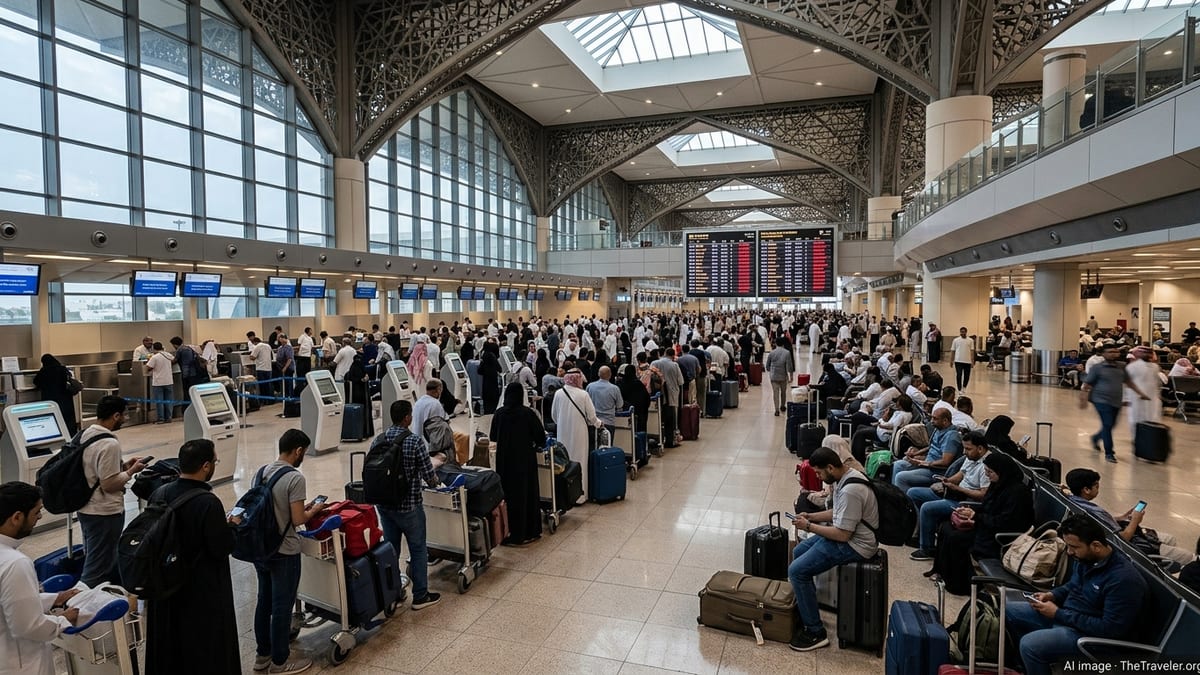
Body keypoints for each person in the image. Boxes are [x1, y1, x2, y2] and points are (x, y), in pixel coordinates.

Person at [144, 439, 239, 675]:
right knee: (203, 650)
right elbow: (220, 547)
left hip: (165, 586)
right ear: (205, 466)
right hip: (199, 592)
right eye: (214, 462)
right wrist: (232, 527)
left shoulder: (159, 493)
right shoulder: (207, 502)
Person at [1006, 515, 1146, 675]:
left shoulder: (1123, 580)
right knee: (1007, 610)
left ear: (1096, 546)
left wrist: (1058, 613)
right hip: (1068, 617)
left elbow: (1110, 629)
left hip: (1092, 639)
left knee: (1030, 645)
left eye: (1074, 547)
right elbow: (1073, 586)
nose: (1069, 552)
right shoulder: (1087, 559)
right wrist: (1053, 595)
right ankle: (1027, 666)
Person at [787, 447, 878, 651]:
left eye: (819, 473)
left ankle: (815, 631)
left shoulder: (851, 490)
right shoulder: (845, 478)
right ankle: (807, 606)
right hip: (847, 536)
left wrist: (809, 527)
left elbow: (842, 534)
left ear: (830, 467)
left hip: (857, 545)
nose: (818, 477)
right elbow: (837, 513)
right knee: (799, 552)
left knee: (796, 571)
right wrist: (810, 517)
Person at [251, 429, 326, 675]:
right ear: (298, 451)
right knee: (283, 606)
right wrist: (313, 511)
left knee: (264, 601)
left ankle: (262, 656)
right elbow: (296, 519)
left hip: (261, 548)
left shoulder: (260, 472)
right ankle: (280, 663)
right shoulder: (295, 478)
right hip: (284, 550)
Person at [0, 482, 81, 675]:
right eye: (36, 512)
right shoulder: (15, 563)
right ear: (17, 517)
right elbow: (27, 625)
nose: (39, 517)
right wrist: (61, 620)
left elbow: (8, 602)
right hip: (21, 663)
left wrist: (55, 598)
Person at [927, 452, 1034, 594]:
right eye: (986, 471)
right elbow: (986, 506)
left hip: (1000, 536)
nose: (987, 475)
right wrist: (970, 512)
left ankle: (958, 584)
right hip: (987, 524)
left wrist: (976, 517)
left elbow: (1006, 522)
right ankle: (941, 572)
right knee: (946, 527)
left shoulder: (1018, 494)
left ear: (1001, 471)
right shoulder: (998, 484)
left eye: (990, 472)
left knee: (956, 538)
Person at [373, 400, 443, 613]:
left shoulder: (379, 439)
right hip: (409, 505)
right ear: (406, 418)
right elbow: (428, 475)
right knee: (418, 548)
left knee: (391, 550)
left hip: (385, 505)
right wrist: (437, 479)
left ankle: (393, 594)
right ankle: (421, 595)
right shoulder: (414, 441)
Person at [78, 395, 147, 588]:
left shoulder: (87, 434)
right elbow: (108, 484)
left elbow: (95, 471)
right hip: (104, 512)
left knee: (97, 558)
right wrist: (132, 471)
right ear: (116, 415)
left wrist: (124, 466)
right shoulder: (109, 443)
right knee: (96, 569)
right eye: (123, 415)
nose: (125, 419)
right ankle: (78, 607)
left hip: (86, 507)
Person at [1063, 468, 1195, 568]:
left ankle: (1162, 566)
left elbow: (1103, 523)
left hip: (1127, 534)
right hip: (1135, 545)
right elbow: (1123, 539)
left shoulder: (1076, 502)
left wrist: (1121, 517)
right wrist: (1135, 520)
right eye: (1096, 486)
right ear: (1086, 490)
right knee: (1189, 557)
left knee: (1170, 539)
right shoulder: (1091, 511)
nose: (1098, 489)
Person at [908, 430, 991, 561]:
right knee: (914, 493)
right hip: (954, 492)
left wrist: (957, 488)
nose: (964, 452)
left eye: (968, 449)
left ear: (980, 449)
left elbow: (983, 495)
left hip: (965, 502)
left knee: (927, 508)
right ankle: (924, 531)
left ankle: (927, 548)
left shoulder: (987, 466)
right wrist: (947, 481)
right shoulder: (972, 457)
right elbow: (962, 474)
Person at [490, 383, 545, 546]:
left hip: (504, 462)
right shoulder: (528, 414)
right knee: (526, 495)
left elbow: (493, 436)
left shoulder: (499, 414)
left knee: (507, 496)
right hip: (524, 461)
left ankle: (507, 531)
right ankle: (527, 531)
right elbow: (540, 437)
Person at [1081, 345, 1152, 463]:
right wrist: (1082, 399)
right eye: (1110, 352)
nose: (1113, 354)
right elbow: (1087, 384)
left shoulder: (1122, 366)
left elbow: (1129, 382)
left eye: (1115, 351)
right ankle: (1109, 453)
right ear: (1103, 354)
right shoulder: (1097, 368)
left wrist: (1140, 393)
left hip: (1116, 401)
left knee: (1110, 425)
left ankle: (1096, 438)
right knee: (1108, 424)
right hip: (1101, 400)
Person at [551, 369, 600, 502]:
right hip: (580, 432)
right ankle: (580, 496)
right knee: (580, 460)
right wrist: (599, 424)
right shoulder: (583, 395)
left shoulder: (558, 394)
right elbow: (591, 417)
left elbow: (554, 416)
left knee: (564, 461)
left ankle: (565, 496)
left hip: (562, 431)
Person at [891, 407, 962, 492]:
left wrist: (924, 463)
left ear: (945, 421)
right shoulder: (938, 429)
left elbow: (945, 461)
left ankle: (905, 503)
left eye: (935, 419)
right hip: (927, 463)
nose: (932, 421)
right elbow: (930, 447)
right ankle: (894, 494)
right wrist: (915, 454)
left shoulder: (951, 436)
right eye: (932, 417)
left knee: (901, 477)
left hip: (936, 471)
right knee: (898, 465)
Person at [33, 353, 78, 436]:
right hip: (65, 401)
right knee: (68, 423)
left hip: (50, 402)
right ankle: (71, 439)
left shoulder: (44, 371)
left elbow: (36, 382)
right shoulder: (62, 369)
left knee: (54, 422)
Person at [1124, 346, 1163, 442]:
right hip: (1136, 397)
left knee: (1152, 418)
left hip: (1152, 398)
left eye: (1149, 353)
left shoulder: (1155, 367)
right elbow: (1126, 383)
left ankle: (1149, 438)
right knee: (1136, 418)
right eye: (1144, 353)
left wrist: (1158, 395)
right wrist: (1126, 398)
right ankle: (1136, 439)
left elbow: (1156, 383)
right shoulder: (1132, 367)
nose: (1147, 355)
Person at [651, 348, 685, 447]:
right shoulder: (675, 365)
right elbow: (680, 381)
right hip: (672, 395)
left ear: (665, 353)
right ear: (673, 355)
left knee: (657, 417)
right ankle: (671, 438)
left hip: (657, 396)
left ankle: (658, 438)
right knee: (671, 419)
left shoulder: (655, 363)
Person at [585, 365, 624, 438]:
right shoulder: (615, 389)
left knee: (592, 446)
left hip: (592, 422)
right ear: (610, 375)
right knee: (608, 446)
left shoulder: (590, 387)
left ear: (598, 374)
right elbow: (620, 405)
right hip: (609, 422)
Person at [617, 363, 650, 435]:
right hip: (640, 413)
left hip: (626, 414)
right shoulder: (638, 384)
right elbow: (646, 398)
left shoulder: (621, 384)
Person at [765, 336, 795, 416]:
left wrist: (770, 370)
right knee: (783, 392)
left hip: (774, 376)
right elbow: (790, 366)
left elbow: (767, 366)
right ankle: (782, 405)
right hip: (783, 376)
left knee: (775, 393)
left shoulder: (772, 353)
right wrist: (791, 376)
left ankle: (776, 410)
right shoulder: (787, 352)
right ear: (783, 344)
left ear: (776, 343)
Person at [146, 342, 175, 424]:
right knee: (168, 400)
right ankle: (169, 418)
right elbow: (173, 360)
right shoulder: (168, 355)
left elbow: (148, 367)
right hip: (169, 380)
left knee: (160, 401)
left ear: (153, 348)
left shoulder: (154, 357)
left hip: (158, 382)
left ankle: (161, 418)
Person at [479, 344, 503, 414]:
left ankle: (487, 411)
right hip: (493, 380)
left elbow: (479, 370)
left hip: (486, 381)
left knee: (486, 399)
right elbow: (499, 369)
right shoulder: (493, 356)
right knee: (494, 397)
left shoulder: (484, 357)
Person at [950, 327, 974, 393]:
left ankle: (964, 387)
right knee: (959, 374)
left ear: (966, 332)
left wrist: (972, 361)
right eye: (961, 332)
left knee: (967, 375)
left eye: (964, 332)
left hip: (967, 361)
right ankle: (959, 388)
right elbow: (953, 351)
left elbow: (972, 351)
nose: (962, 333)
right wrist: (951, 360)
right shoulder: (956, 340)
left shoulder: (970, 340)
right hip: (958, 360)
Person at [275, 333, 295, 400]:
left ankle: (290, 397)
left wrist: (285, 367)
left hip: (288, 368)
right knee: (284, 384)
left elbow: (289, 359)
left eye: (280, 338)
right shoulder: (280, 348)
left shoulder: (288, 347)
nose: (279, 339)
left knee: (288, 383)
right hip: (281, 368)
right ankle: (284, 396)